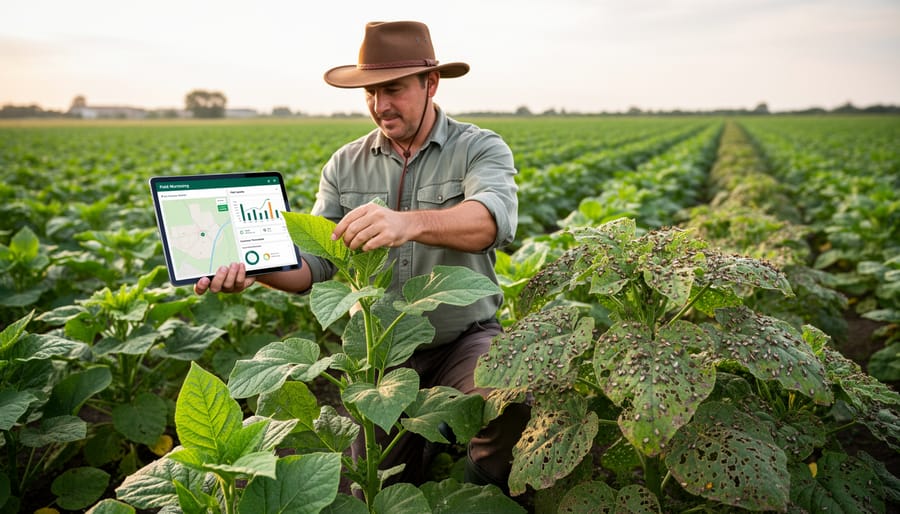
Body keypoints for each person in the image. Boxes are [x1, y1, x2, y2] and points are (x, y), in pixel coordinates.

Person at [194, 20, 527, 493]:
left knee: (509, 398)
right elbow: (315, 266)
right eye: (370, 92)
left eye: (393, 89)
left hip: (463, 340)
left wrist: (406, 222)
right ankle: (424, 449)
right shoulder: (344, 163)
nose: (380, 105)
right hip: (379, 356)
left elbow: (490, 221)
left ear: (431, 83)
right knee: (373, 488)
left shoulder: (478, 147)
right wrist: (256, 265)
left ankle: (484, 487)